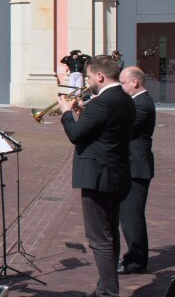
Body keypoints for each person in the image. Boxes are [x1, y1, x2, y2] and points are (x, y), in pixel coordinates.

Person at [58, 55, 135, 297]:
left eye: (89, 76)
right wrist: (84, 113)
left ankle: (109, 292)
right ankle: (104, 288)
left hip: (98, 177)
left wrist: (67, 113)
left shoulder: (101, 103)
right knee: (110, 234)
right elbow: (101, 132)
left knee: (99, 238)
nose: (88, 80)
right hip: (117, 174)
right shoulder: (125, 99)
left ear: (100, 76)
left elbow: (76, 135)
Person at [118, 66, 156, 275]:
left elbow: (122, 129)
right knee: (129, 216)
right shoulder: (137, 102)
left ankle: (135, 261)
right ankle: (135, 257)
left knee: (132, 216)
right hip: (132, 166)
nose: (121, 87)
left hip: (137, 168)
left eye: (122, 83)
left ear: (134, 82)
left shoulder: (142, 104)